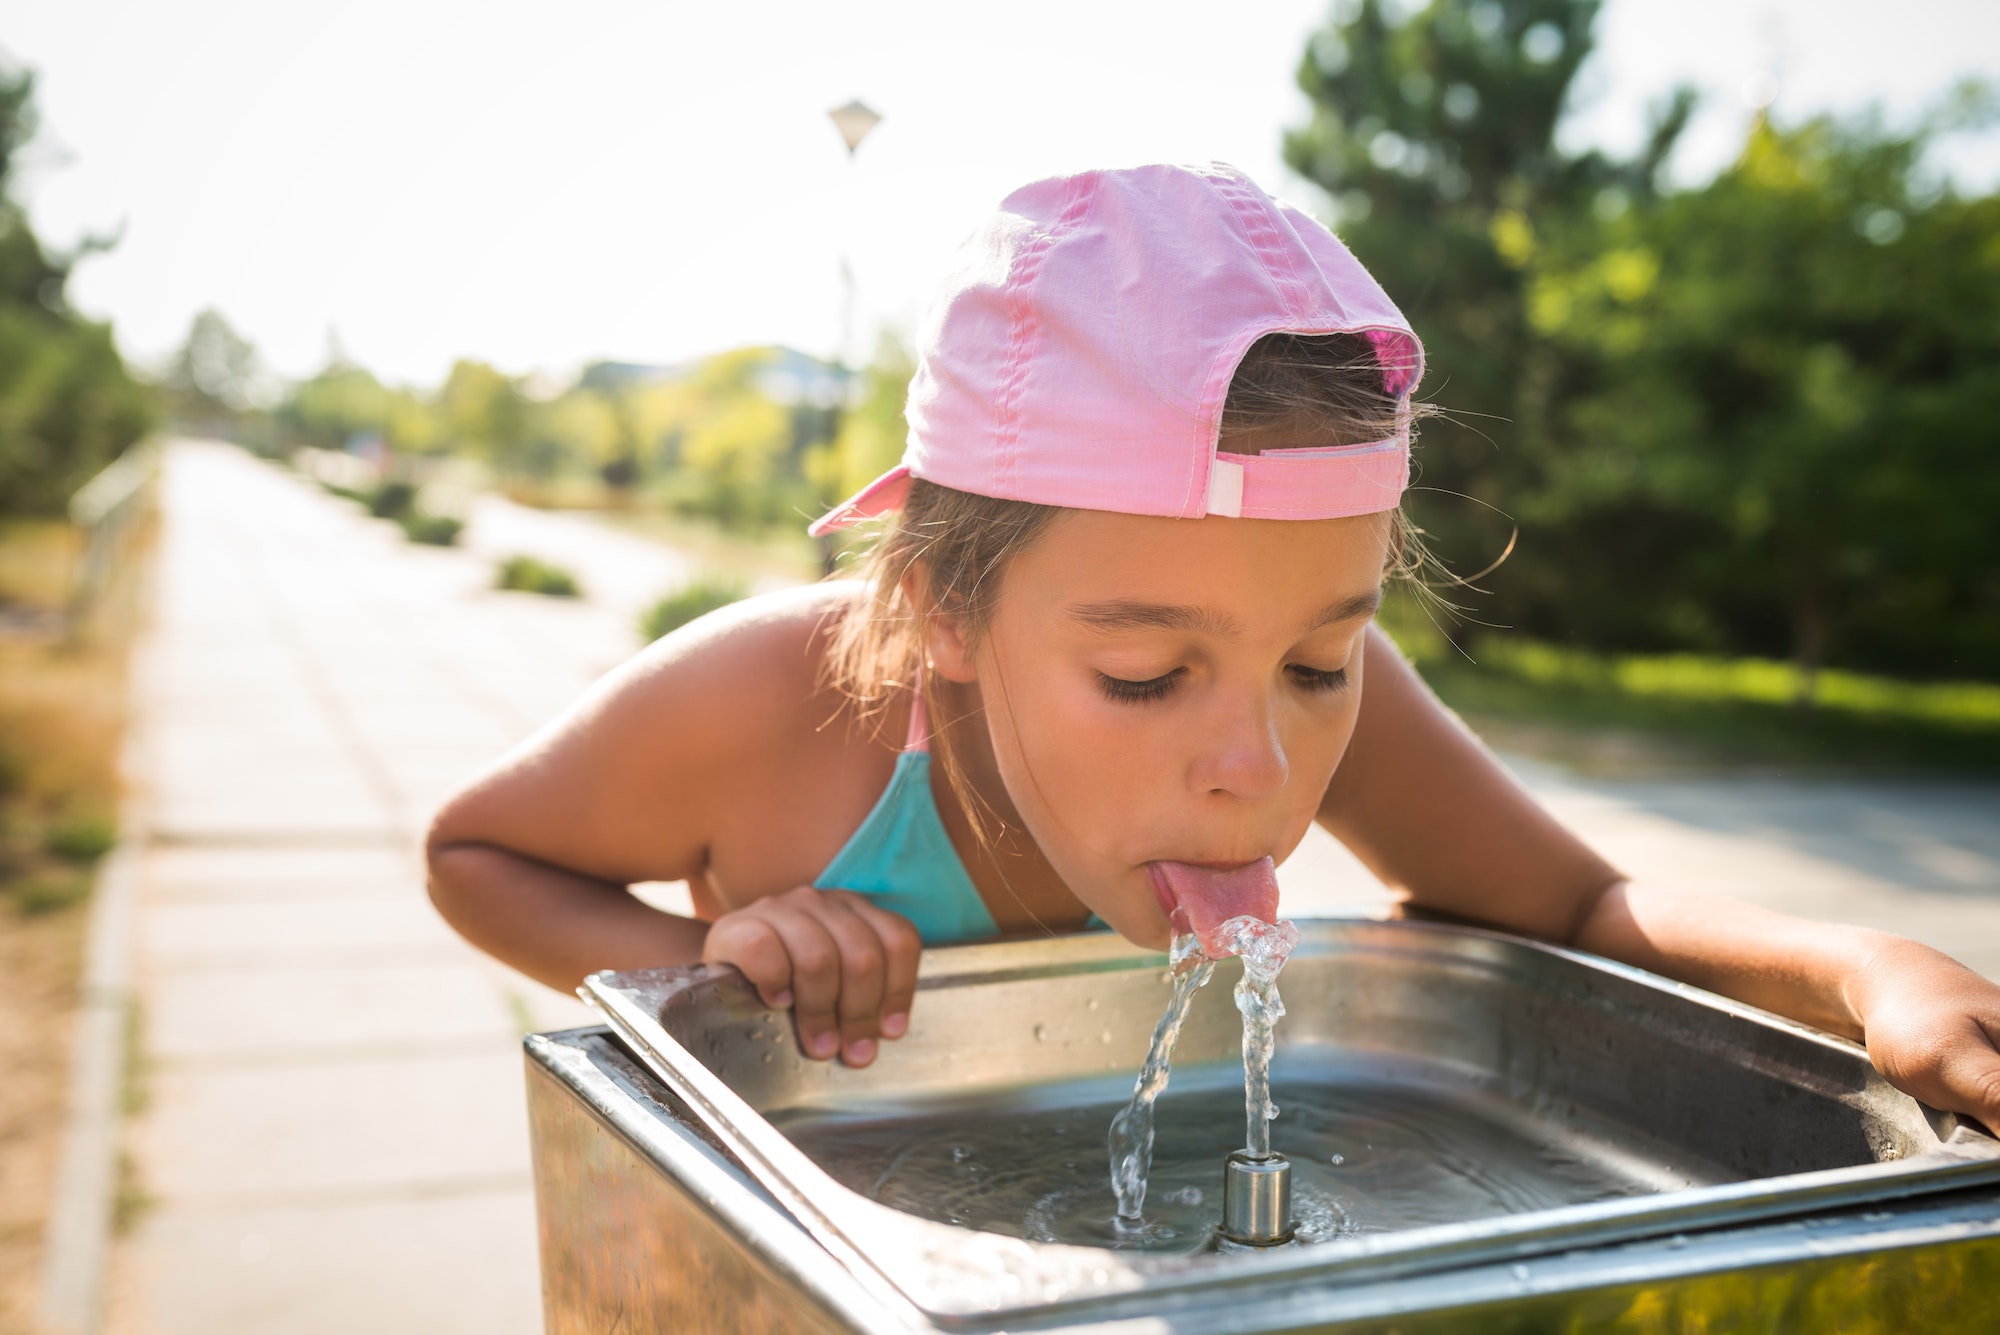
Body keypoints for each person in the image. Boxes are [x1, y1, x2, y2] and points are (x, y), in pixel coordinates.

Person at [425, 163, 2000, 1129]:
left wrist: (1872, 965)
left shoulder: (1308, 696)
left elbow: (1574, 899)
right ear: (941, 611)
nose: (1261, 765)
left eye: (1321, 663)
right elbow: (473, 850)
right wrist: (703, 973)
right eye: (1141, 676)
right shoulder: (770, 701)